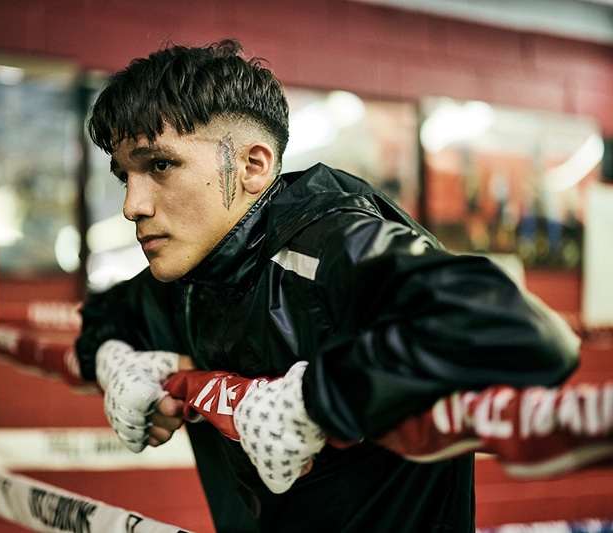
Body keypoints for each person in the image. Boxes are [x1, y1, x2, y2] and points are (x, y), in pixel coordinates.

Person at [75, 40, 581, 532]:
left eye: (160, 165)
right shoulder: (191, 272)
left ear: (253, 166)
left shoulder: (335, 243)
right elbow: (105, 316)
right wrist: (116, 363)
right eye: (125, 176)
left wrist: (314, 400)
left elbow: (525, 333)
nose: (132, 205)